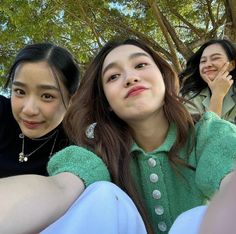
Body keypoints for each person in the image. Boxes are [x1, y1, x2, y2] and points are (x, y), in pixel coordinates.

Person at [0, 38, 236, 234]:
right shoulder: (98, 149)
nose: (130, 77)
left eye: (141, 65)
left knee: (194, 219)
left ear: (164, 77)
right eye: (113, 76)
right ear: (107, 101)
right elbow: (60, 188)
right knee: (104, 195)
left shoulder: (209, 133)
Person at [0, 42, 80, 177]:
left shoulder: (79, 143)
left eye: (47, 96)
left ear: (71, 100)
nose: (29, 110)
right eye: (20, 91)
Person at [180, 39, 236, 124]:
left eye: (215, 58)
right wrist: (217, 95)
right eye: (203, 61)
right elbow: (206, 135)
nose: (207, 64)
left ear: (232, 65)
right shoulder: (188, 96)